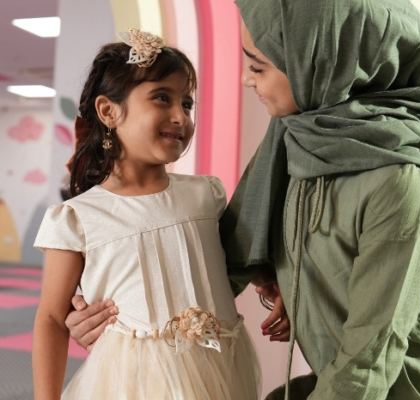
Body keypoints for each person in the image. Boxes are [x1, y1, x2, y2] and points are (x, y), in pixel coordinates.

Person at [65, 1, 420, 400]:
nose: (245, 78)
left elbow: (369, 361)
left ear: (322, 67)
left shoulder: (402, 183)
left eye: (259, 65)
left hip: (414, 386)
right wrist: (110, 317)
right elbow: (212, 263)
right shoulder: (299, 140)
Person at [32, 28, 262, 400]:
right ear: (109, 111)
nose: (180, 116)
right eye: (162, 98)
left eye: (186, 104)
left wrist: (272, 285)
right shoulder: (77, 217)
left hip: (218, 372)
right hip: (133, 382)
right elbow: (51, 319)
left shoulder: (206, 194)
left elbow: (234, 259)